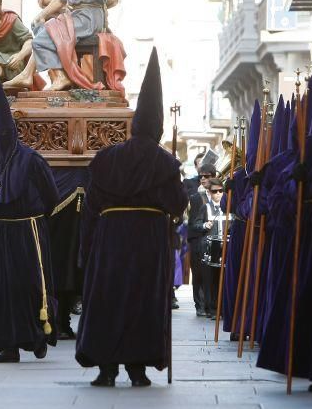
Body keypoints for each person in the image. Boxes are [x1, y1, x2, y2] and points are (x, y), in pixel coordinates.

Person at [75, 48, 187, 387]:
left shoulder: (107, 158)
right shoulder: (164, 162)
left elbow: (92, 206)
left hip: (111, 239)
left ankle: (106, 369)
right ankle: (137, 369)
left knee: (108, 297)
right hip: (148, 242)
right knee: (141, 299)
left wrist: (89, 246)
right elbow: (177, 204)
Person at [0, 69, 58, 363]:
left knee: (30, 287)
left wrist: (35, 218)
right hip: (0, 232)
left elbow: (51, 195)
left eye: (3, 134)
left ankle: (38, 337)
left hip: (28, 231)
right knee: (2, 288)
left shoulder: (32, 160)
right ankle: (8, 346)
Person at [190, 177, 225, 318]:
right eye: (215, 192)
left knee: (221, 279)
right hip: (209, 248)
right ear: (209, 193)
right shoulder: (206, 207)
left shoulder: (228, 206)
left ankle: (220, 308)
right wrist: (205, 225)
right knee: (209, 279)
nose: (218, 194)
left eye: (221, 191)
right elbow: (196, 224)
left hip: (225, 247)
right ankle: (211, 309)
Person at [187, 162, 217, 317]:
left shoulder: (218, 193)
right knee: (198, 273)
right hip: (197, 238)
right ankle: (200, 305)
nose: (203, 179)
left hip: (213, 237)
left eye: (207, 176)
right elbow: (190, 220)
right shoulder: (194, 196)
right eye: (201, 176)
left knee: (211, 274)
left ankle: (211, 306)